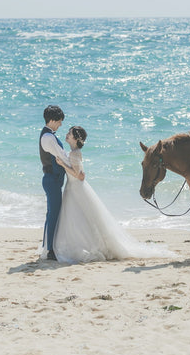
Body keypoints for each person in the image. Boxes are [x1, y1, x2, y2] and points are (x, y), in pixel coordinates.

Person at [51, 125, 174, 264]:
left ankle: (84, 246)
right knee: (78, 220)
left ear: (76, 138)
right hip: (72, 188)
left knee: (78, 219)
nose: (67, 134)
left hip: (76, 188)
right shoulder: (73, 152)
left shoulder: (75, 153)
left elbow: (80, 176)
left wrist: (62, 164)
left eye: (70, 133)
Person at [39, 105, 84, 261]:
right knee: (53, 215)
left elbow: (62, 156)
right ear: (52, 120)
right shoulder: (48, 138)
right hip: (52, 179)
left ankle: (47, 247)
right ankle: (50, 250)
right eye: (59, 121)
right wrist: (74, 165)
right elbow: (62, 156)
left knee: (51, 214)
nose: (60, 124)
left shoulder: (49, 136)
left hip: (53, 179)